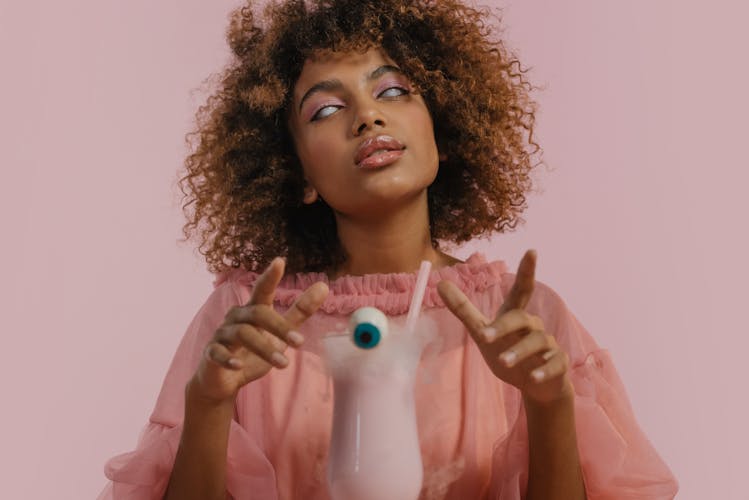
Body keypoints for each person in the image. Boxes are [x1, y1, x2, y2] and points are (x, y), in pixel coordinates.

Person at [97, 0, 679, 498]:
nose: (367, 116)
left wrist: (548, 404)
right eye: (326, 109)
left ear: (443, 131)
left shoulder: (523, 319)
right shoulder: (246, 320)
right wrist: (208, 404)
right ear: (295, 171)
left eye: (393, 90)